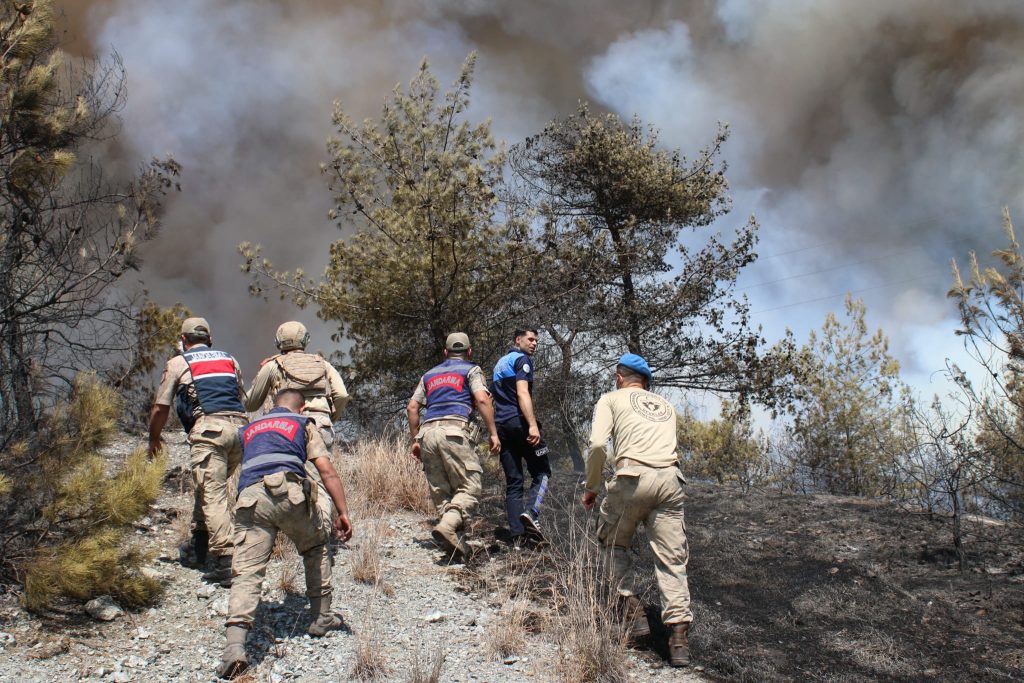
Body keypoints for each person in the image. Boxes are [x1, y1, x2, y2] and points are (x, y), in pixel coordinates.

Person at [217, 389, 353, 679]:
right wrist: (342, 512)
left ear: (272, 406)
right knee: (315, 547)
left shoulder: (249, 429)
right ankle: (321, 618)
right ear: (301, 409)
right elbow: (326, 470)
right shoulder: (303, 425)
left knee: (247, 571)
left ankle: (234, 647)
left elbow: (235, 463)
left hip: (251, 499)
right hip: (290, 494)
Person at [580, 353, 692, 667]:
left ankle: (631, 607)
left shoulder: (610, 399)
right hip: (670, 481)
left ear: (619, 377)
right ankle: (679, 638)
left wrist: (592, 487)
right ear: (646, 381)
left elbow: (599, 445)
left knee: (613, 541)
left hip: (632, 478)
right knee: (672, 559)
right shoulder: (666, 406)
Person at [148, 317, 247, 585]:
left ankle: (225, 561)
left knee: (212, 493)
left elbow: (160, 407)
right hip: (239, 431)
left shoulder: (179, 362)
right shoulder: (230, 360)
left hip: (209, 431)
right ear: (210, 339)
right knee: (206, 488)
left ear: (183, 341)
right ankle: (199, 546)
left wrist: (154, 439)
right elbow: (242, 397)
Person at [406, 333, 500, 560]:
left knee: (442, 492)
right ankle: (449, 528)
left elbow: (412, 407)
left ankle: (454, 543)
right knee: (470, 487)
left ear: (445, 353)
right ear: (469, 352)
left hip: (428, 434)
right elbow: (482, 399)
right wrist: (493, 433)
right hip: (455, 431)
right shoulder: (471, 370)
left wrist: (415, 440)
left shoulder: (428, 375)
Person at [244, 321, 350, 449]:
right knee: (319, 468)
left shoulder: (273, 365)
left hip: (286, 427)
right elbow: (342, 395)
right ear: (306, 339)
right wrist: (328, 419)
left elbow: (249, 404)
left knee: (289, 468)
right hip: (321, 426)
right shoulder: (323, 364)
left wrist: (259, 374)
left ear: (278, 341)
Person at [491, 328, 551, 546]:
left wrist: (492, 432)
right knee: (543, 472)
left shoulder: (499, 364)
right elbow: (522, 393)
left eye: (537, 341)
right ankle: (532, 513)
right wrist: (533, 425)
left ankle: (517, 538)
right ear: (518, 340)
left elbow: (490, 398)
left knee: (514, 481)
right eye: (530, 339)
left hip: (502, 426)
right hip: (520, 424)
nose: (534, 343)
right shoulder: (522, 360)